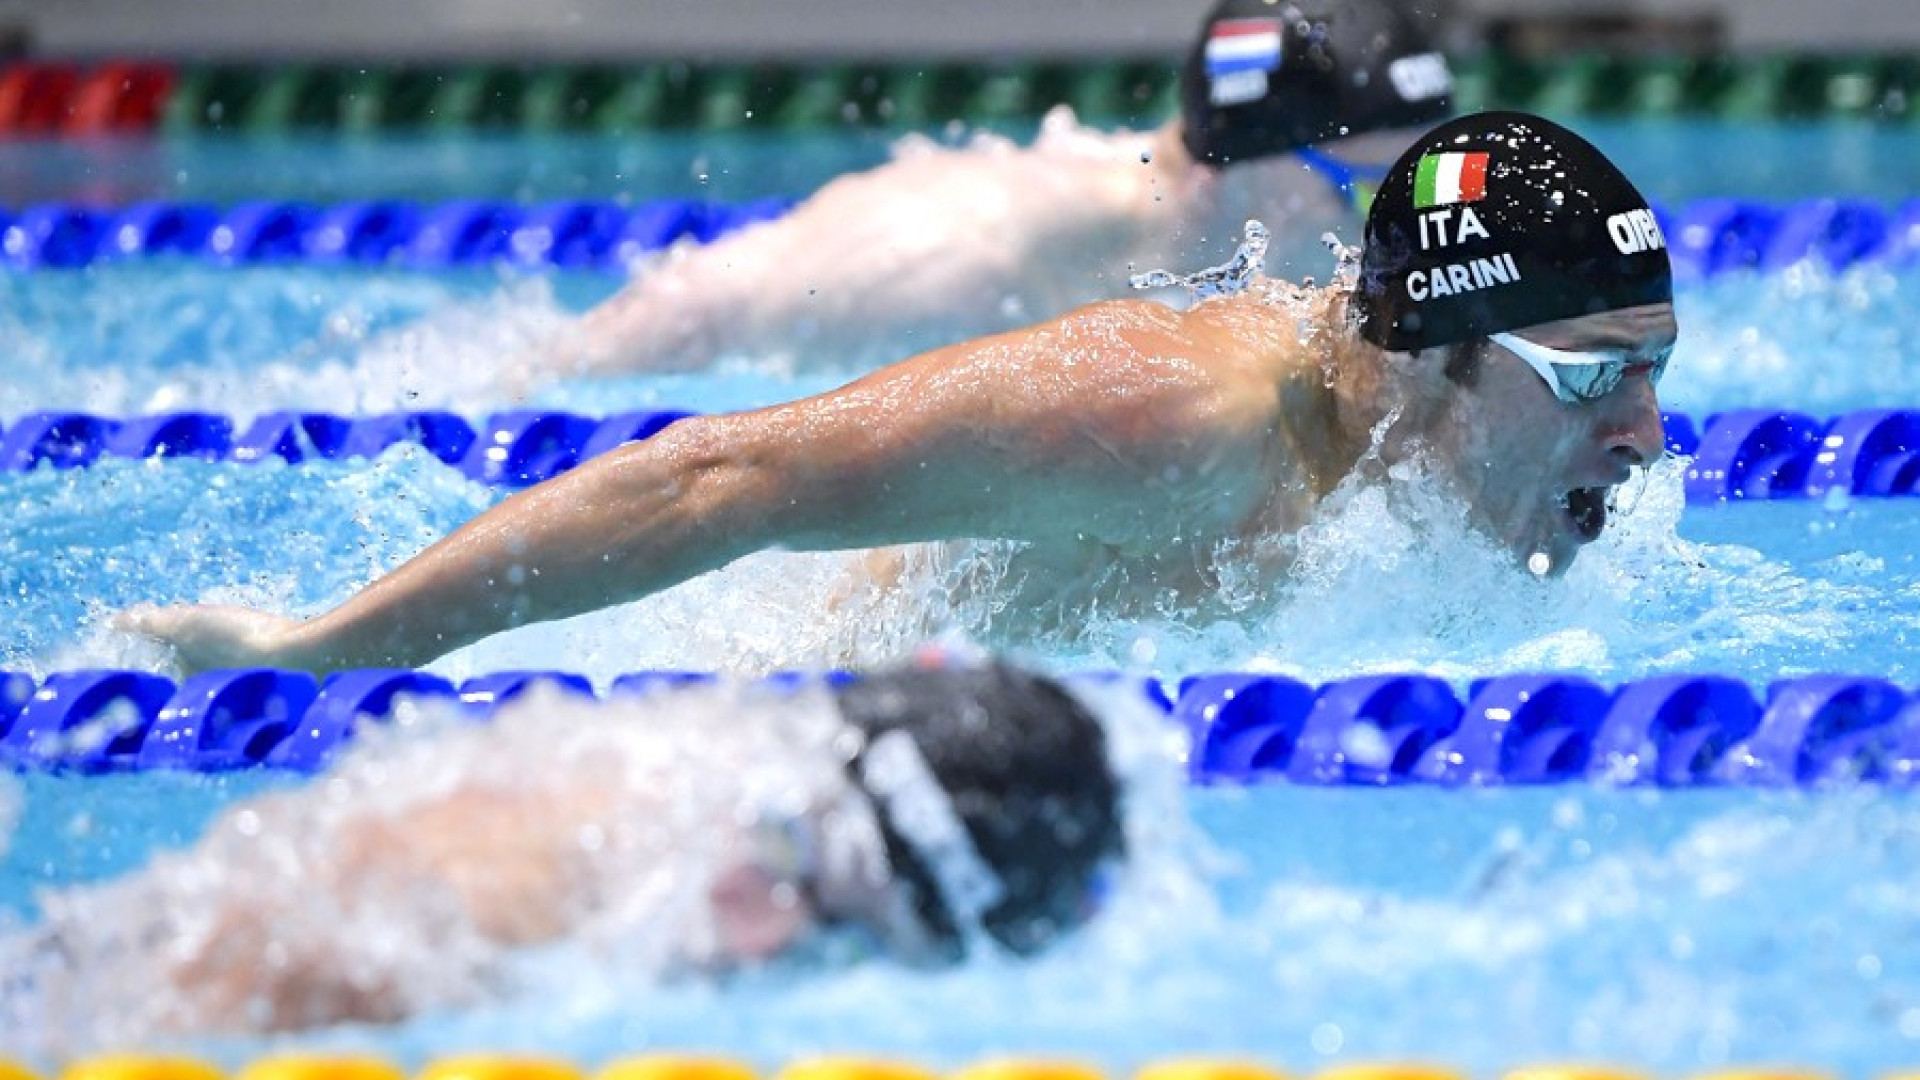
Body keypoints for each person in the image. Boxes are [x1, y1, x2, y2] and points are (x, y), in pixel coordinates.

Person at [121, 109, 1676, 677]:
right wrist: (314, 653)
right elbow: (716, 478)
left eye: (1656, 375)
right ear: (1429, 353)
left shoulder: (1449, 469)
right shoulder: (1165, 422)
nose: (1644, 437)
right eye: (1598, 376)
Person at [2, 660, 1126, 1044]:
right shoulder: (488, 893)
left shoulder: (697, 781)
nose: (772, 933)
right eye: (806, 889)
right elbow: (205, 991)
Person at [526, 0, 1454, 379]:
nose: (1406, 231)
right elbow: (708, 302)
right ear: (1241, 166)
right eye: (1372, 188)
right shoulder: (971, 256)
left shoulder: (1193, 250)